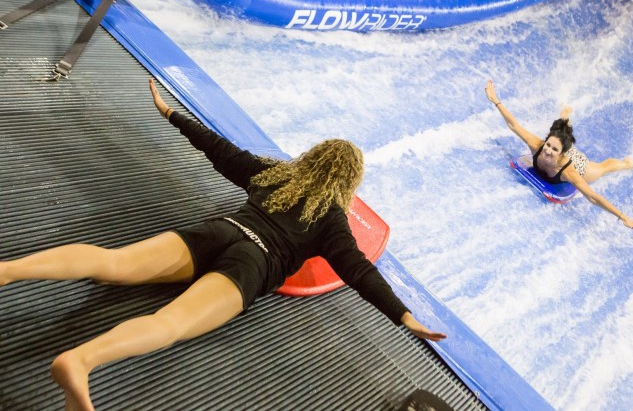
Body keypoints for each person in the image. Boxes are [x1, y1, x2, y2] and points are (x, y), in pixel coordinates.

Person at [0, 79, 447, 411]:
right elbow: (359, 271)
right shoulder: (331, 220)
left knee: (111, 262)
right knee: (169, 323)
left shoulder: (273, 176)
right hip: (251, 265)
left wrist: (173, 115)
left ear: (311, 157)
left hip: (221, 229)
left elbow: (219, 149)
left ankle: (9, 270)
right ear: (350, 184)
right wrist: (403, 315)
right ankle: (81, 361)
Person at [485, 79, 633, 230]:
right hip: (563, 147)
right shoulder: (537, 146)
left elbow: (592, 197)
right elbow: (514, 125)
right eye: (548, 145)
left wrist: (624, 217)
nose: (547, 151)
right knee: (559, 133)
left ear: (562, 153)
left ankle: (626, 164)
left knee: (602, 168)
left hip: (579, 165)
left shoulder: (569, 172)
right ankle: (564, 118)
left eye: (554, 149)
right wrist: (496, 101)